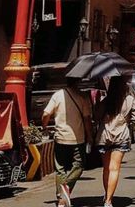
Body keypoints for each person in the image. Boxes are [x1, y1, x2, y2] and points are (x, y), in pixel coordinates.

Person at [42, 78, 93, 207]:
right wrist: (90, 136)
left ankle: (61, 197)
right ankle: (65, 189)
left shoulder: (57, 95)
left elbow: (45, 114)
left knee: (60, 169)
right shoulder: (83, 97)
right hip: (78, 138)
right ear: (78, 82)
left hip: (61, 137)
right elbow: (87, 119)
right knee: (79, 165)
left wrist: (44, 126)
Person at [95, 77, 135, 207]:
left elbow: (97, 116)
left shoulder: (106, 101)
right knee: (115, 169)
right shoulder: (130, 100)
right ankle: (108, 200)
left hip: (105, 136)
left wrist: (98, 102)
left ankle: (106, 194)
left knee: (106, 169)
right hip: (121, 136)